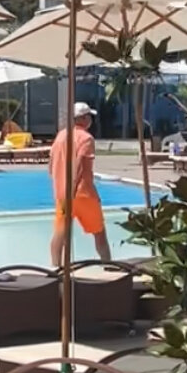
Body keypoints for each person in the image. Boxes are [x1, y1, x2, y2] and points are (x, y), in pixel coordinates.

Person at [50, 100, 111, 264]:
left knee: (60, 233)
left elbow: (51, 165)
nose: (91, 120)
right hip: (82, 192)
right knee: (99, 233)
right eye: (89, 116)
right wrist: (73, 189)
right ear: (83, 118)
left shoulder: (61, 136)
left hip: (62, 193)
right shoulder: (86, 138)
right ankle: (108, 266)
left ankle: (55, 267)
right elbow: (80, 166)